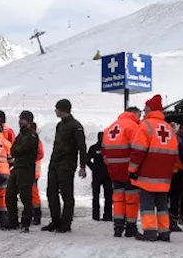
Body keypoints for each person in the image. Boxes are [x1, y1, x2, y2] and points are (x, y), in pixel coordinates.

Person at [128, 95, 179, 242]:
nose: (143, 110)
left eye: (145, 108)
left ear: (150, 109)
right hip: (164, 177)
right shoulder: (169, 128)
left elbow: (138, 151)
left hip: (147, 175)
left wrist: (132, 170)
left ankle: (149, 232)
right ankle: (164, 232)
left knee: (147, 206)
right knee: (162, 206)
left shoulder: (145, 125)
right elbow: (175, 153)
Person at [44, 99, 87, 233]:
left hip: (67, 165)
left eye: (56, 108)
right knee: (51, 193)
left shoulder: (76, 126)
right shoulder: (59, 125)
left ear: (62, 109)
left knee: (66, 194)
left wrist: (82, 166)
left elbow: (82, 147)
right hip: (55, 163)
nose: (55, 111)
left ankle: (66, 223)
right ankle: (55, 220)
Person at [103, 107, 142, 238]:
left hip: (114, 171)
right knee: (131, 199)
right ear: (133, 114)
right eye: (139, 116)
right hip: (129, 170)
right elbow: (138, 149)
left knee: (118, 199)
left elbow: (104, 151)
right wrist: (136, 168)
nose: (139, 119)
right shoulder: (133, 127)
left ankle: (118, 227)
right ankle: (130, 227)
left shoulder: (110, 128)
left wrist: (111, 166)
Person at [7, 111, 41, 232]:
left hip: (26, 169)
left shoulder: (31, 135)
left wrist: (16, 150)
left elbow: (21, 149)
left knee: (25, 197)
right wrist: (16, 150)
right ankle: (13, 220)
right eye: (20, 119)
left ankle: (26, 222)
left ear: (29, 121)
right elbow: (13, 150)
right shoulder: (21, 135)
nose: (20, 121)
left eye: (23, 119)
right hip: (17, 167)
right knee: (10, 195)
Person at [87, 132, 112, 222]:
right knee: (97, 196)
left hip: (107, 175)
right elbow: (87, 159)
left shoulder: (109, 148)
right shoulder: (94, 148)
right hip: (98, 175)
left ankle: (107, 216)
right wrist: (93, 168)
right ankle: (96, 216)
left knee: (108, 196)